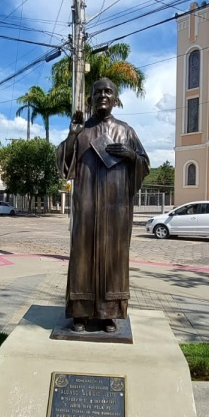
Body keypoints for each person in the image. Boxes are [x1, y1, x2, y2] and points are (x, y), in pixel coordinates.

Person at [57, 78, 150, 333]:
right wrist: (72, 135)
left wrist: (131, 155)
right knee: (82, 256)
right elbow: (64, 166)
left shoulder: (126, 131)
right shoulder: (81, 131)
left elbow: (144, 164)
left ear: (115, 98)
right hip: (86, 207)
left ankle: (110, 312)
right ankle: (80, 312)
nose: (103, 96)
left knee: (114, 257)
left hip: (116, 209)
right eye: (98, 92)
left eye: (108, 91)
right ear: (91, 98)